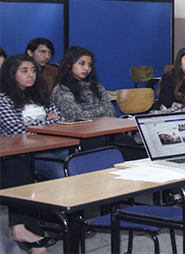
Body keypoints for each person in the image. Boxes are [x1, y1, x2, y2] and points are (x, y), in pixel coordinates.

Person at [0, 54, 60, 254]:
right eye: (24, 71)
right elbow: (17, 130)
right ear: (11, 74)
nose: (31, 75)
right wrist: (45, 122)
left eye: (33, 70)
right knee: (20, 164)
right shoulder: (3, 98)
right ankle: (23, 230)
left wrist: (33, 124)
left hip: (45, 150)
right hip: (11, 155)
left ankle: (22, 229)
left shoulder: (41, 94)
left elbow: (59, 120)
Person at [51, 46, 115, 121]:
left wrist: (88, 113)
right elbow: (76, 116)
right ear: (69, 64)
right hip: (78, 130)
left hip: (102, 128)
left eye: (90, 65)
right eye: (81, 63)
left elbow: (111, 113)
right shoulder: (62, 89)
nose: (87, 68)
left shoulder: (97, 86)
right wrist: (102, 110)